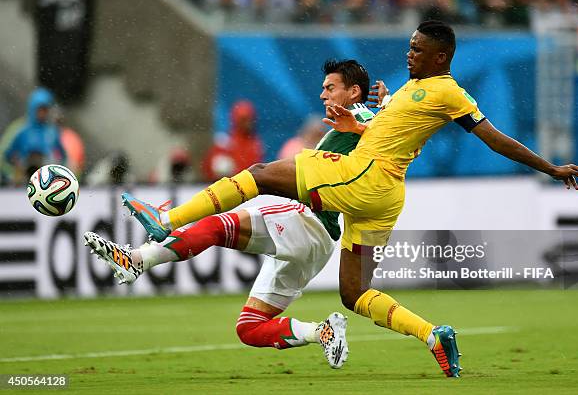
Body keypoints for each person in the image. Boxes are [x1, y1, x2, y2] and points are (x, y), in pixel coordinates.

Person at [122, 21, 578, 378]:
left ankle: (167, 219)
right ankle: (433, 335)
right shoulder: (417, 90)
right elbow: (396, 129)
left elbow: (494, 138)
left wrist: (550, 168)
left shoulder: (450, 91)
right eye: (409, 47)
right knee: (354, 292)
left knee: (262, 174)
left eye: (417, 50)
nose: (408, 54)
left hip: (364, 176)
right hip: (385, 196)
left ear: (441, 55)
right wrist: (361, 124)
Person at [85, 59, 376, 369]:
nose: (323, 95)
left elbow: (394, 128)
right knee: (249, 328)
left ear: (354, 92)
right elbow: (391, 133)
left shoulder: (360, 118)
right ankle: (322, 331)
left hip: (307, 219)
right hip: (320, 245)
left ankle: (139, 259)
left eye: (330, 88)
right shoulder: (357, 125)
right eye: (322, 88)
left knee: (217, 226)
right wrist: (385, 106)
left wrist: (384, 108)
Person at [3, 88, 66, 185]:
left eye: (45, 109)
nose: (43, 113)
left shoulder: (52, 132)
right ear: (33, 108)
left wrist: (56, 170)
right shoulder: (22, 131)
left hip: (47, 181)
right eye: (40, 109)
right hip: (24, 180)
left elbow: (63, 157)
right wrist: (15, 169)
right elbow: (7, 156)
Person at [200, 99, 264, 181]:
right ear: (235, 120)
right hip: (230, 186)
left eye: (250, 119)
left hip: (249, 186)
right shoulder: (224, 142)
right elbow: (207, 169)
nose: (248, 123)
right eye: (244, 120)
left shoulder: (255, 143)